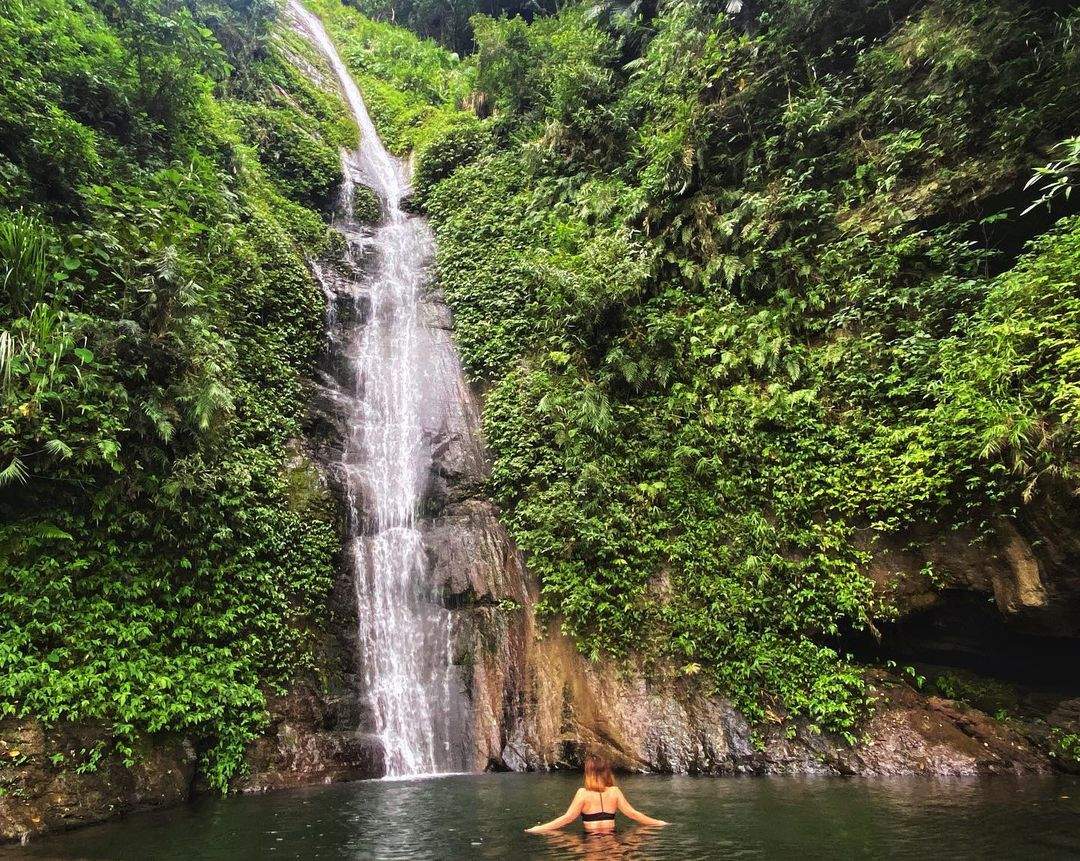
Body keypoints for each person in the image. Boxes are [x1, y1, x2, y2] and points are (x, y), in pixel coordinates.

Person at [525, 754, 669, 834]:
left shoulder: (582, 794)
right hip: (612, 840)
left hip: (591, 842)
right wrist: (660, 823)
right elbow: (634, 814)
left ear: (588, 773)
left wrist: (539, 829)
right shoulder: (615, 791)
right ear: (607, 772)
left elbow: (567, 819)